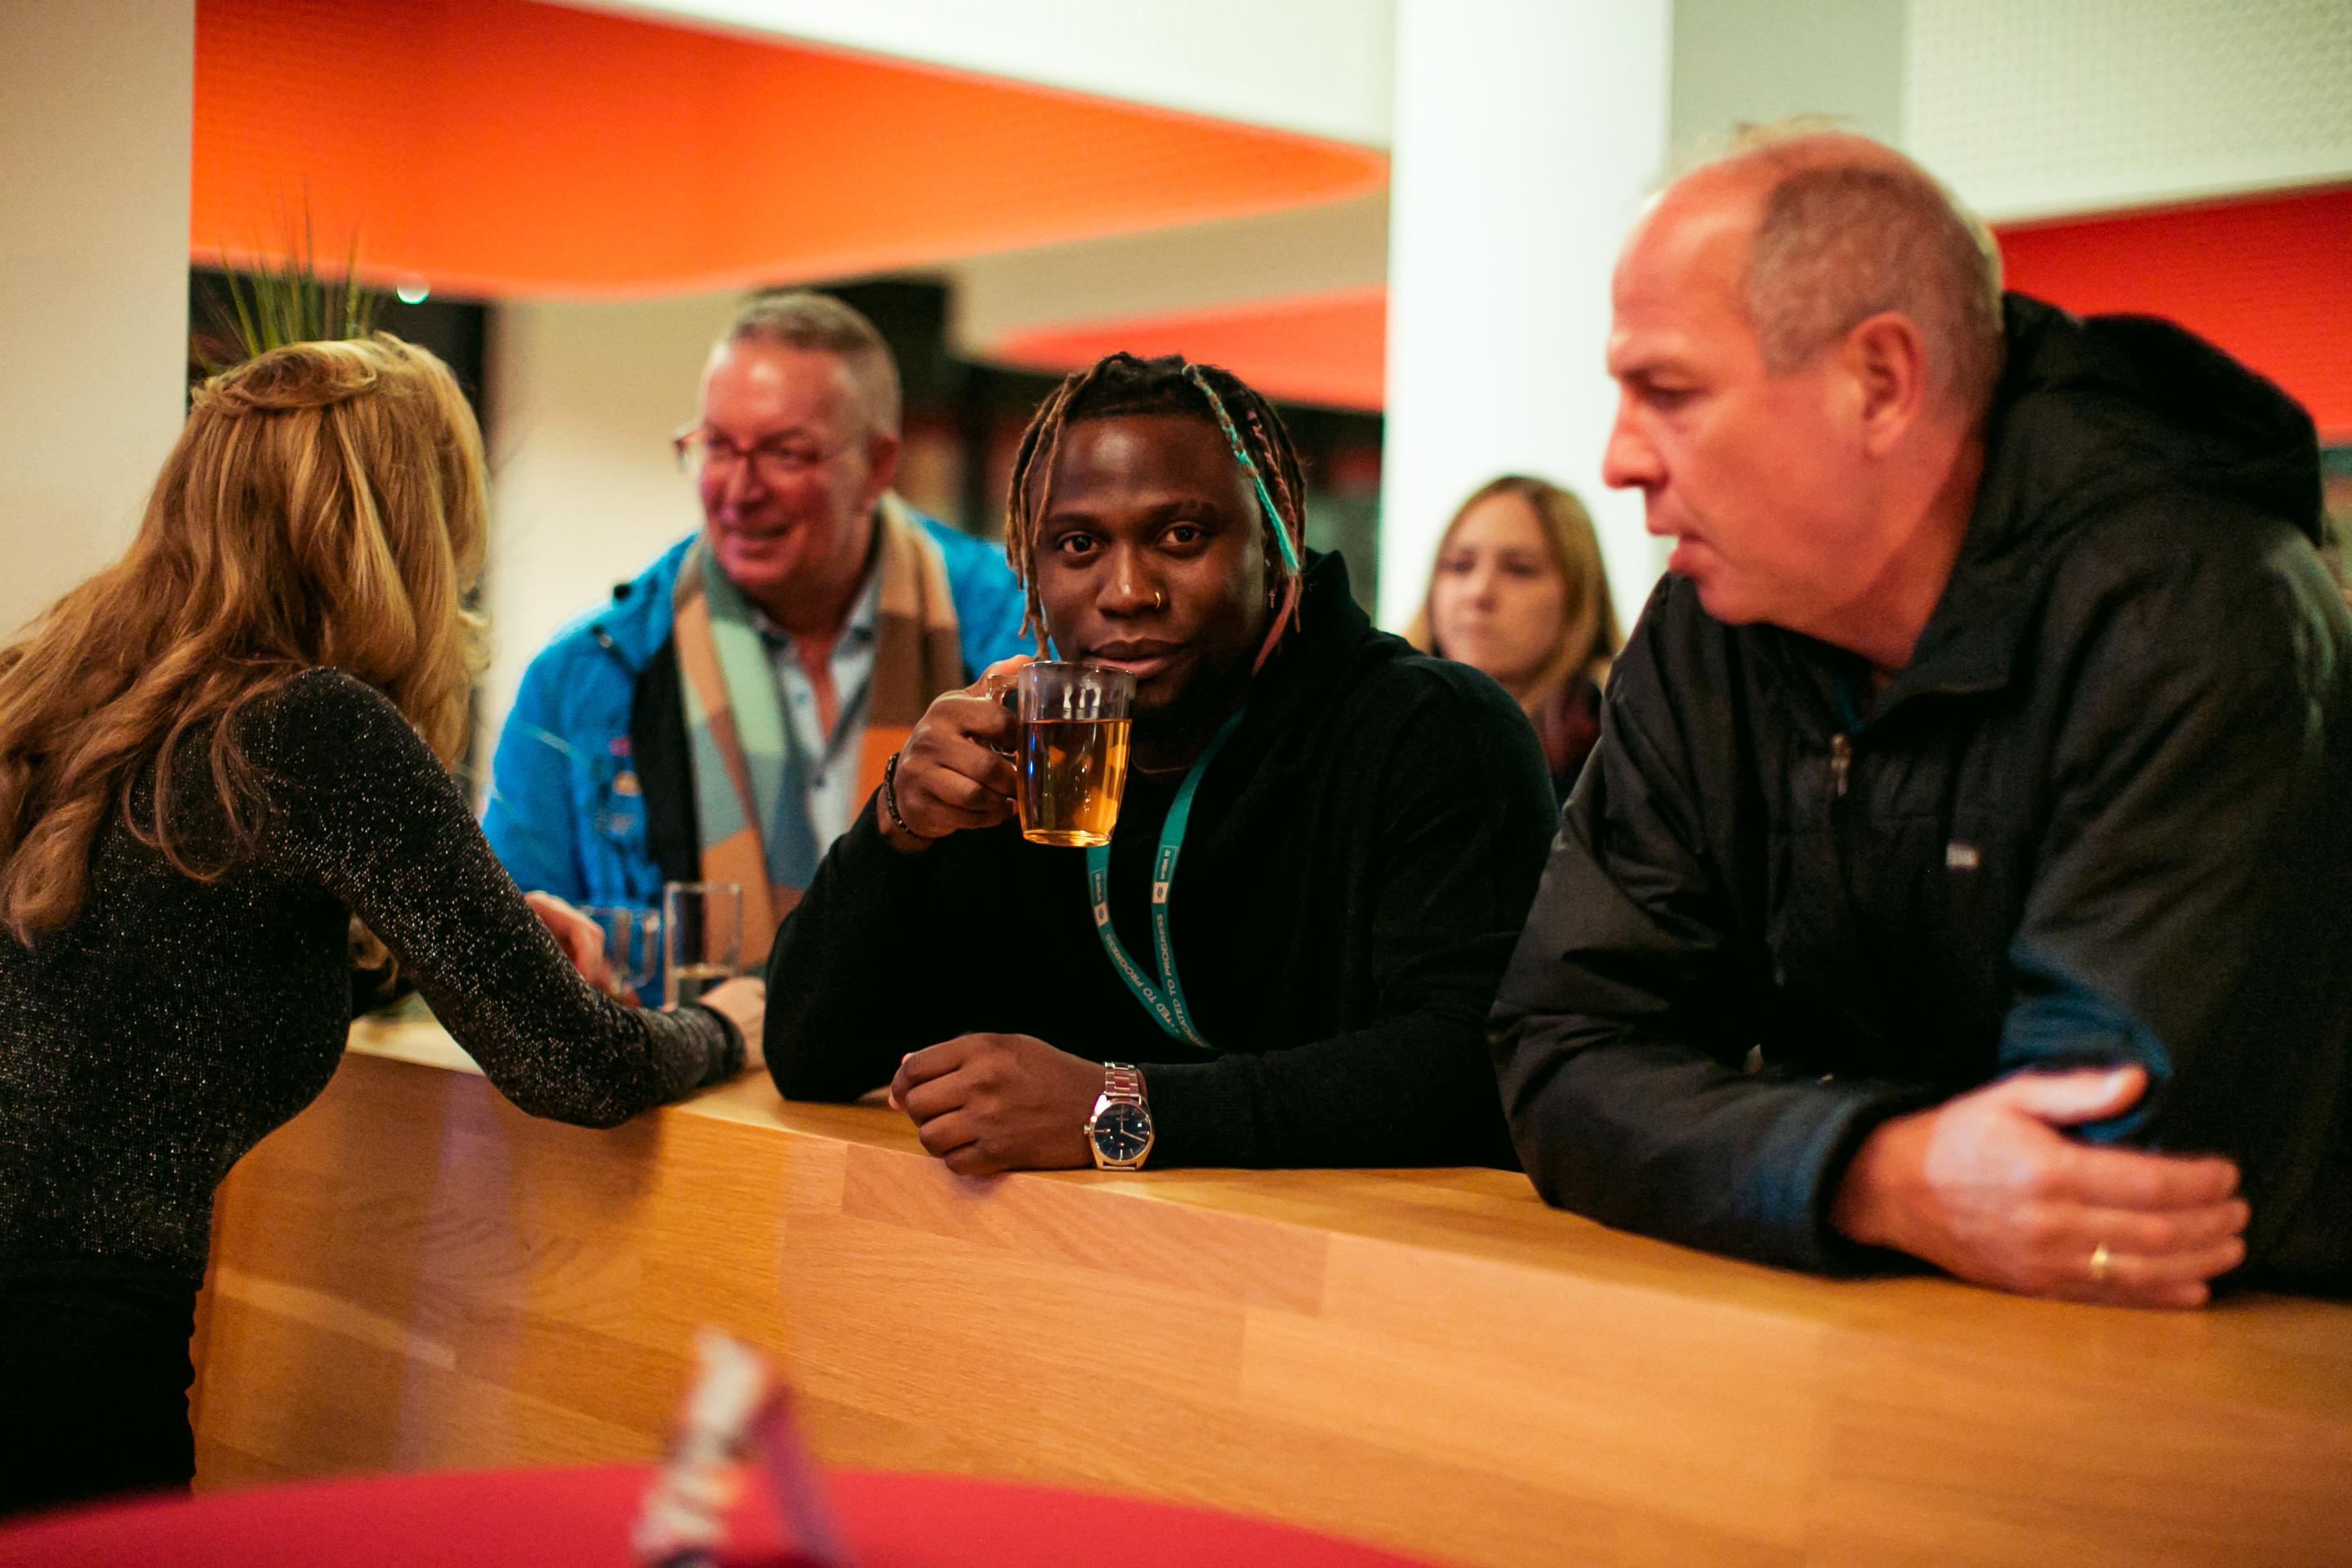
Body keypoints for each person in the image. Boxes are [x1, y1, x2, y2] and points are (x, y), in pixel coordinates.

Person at [1491, 129, 2351, 1307]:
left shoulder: (2191, 612)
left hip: (2246, 1361)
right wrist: (1874, 1174)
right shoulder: (1714, 624)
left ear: (1881, 383)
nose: (1619, 458)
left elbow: (2100, 1178)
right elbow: (1558, 1054)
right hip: (1877, 1335)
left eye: (1670, 393)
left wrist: (1760, 1140)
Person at [0, 336, 764, 1518]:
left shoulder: (53, 682)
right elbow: (576, 1066)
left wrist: (459, 937)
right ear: (402, 533)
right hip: (66, 1361)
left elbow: (174, 977)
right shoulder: (312, 727)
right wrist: (725, 1024)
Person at [766, 353, 1555, 1174]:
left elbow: (1470, 1068)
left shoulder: (1432, 729)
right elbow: (809, 1056)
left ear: (1275, 542)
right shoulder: (1023, 755)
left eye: (1182, 536)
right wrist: (896, 826)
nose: (1127, 590)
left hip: (1362, 1251)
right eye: (1079, 544)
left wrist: (1121, 1110)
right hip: (1081, 1250)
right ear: (1032, 572)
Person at [483, 292, 1028, 966]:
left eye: (785, 453)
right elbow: (501, 945)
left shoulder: (1016, 636)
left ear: (879, 465)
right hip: (683, 1038)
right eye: (717, 446)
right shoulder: (584, 677)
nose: (739, 491)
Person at [1407, 475, 1623, 802]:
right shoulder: (1378, 724)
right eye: (1459, 566)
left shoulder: (1621, 752)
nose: (1478, 592)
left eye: (1519, 569)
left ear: (1578, 595)